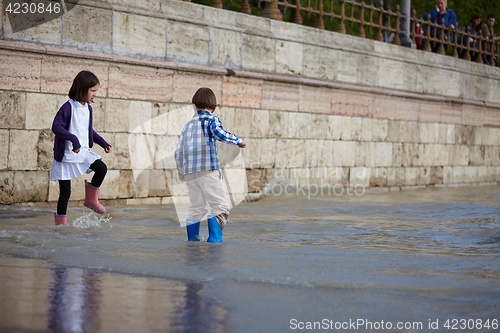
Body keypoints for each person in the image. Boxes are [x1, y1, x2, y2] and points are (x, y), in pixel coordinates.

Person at [175, 87, 246, 243]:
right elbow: (219, 133)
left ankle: (192, 239)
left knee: (196, 206)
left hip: (190, 172)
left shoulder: (188, 125)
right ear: (214, 108)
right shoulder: (211, 120)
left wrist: (181, 171)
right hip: (207, 169)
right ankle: (214, 239)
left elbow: (179, 150)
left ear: (194, 106)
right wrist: (238, 141)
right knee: (220, 205)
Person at [50, 70, 112, 226]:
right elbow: (56, 126)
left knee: (101, 168)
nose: (94, 94)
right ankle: (61, 225)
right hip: (66, 155)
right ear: (82, 89)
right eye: (92, 91)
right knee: (65, 192)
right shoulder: (68, 107)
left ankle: (91, 199)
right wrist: (73, 139)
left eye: (95, 91)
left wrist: (103, 143)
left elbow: (87, 130)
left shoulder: (88, 109)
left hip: (83, 152)